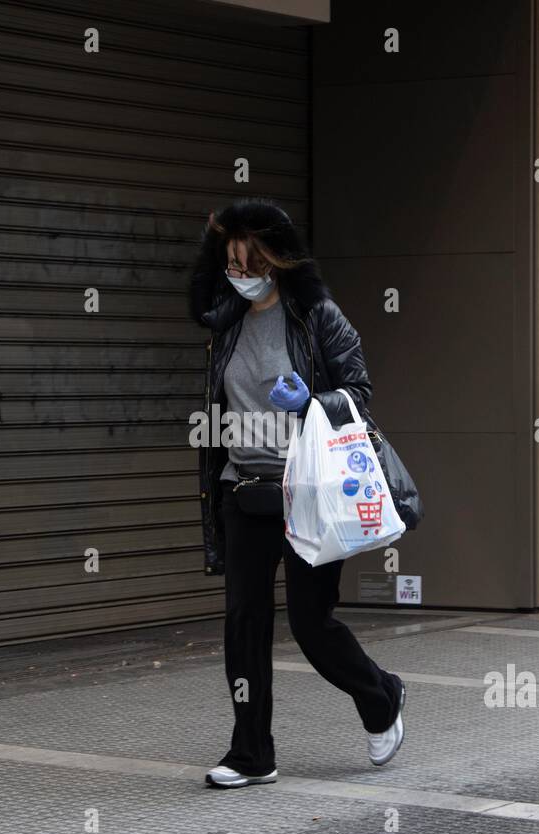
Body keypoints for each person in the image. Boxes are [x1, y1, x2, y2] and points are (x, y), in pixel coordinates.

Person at [188, 198, 405, 788]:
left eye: (249, 262)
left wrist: (310, 400)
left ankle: (381, 694)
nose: (239, 274)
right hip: (244, 491)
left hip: (307, 492)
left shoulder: (317, 316)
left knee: (311, 624)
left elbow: (359, 394)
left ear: (276, 261)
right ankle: (251, 753)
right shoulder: (225, 323)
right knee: (244, 623)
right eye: (229, 263)